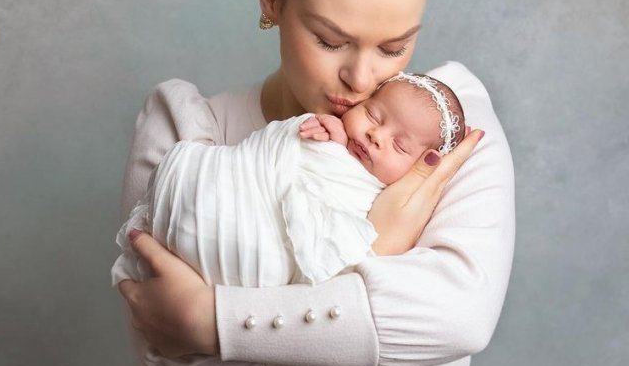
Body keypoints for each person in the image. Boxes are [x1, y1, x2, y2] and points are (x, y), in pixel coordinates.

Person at [118, 0, 515, 366]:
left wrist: (213, 322)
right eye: (331, 40)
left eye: (395, 46)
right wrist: (381, 252)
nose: (360, 77)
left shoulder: (444, 127)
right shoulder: (189, 135)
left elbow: (460, 317)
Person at [111, 73, 471, 291]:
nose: (376, 135)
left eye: (399, 145)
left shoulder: (399, 196)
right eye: (374, 114)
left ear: (419, 167)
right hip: (239, 183)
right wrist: (331, 136)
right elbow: (299, 149)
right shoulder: (175, 112)